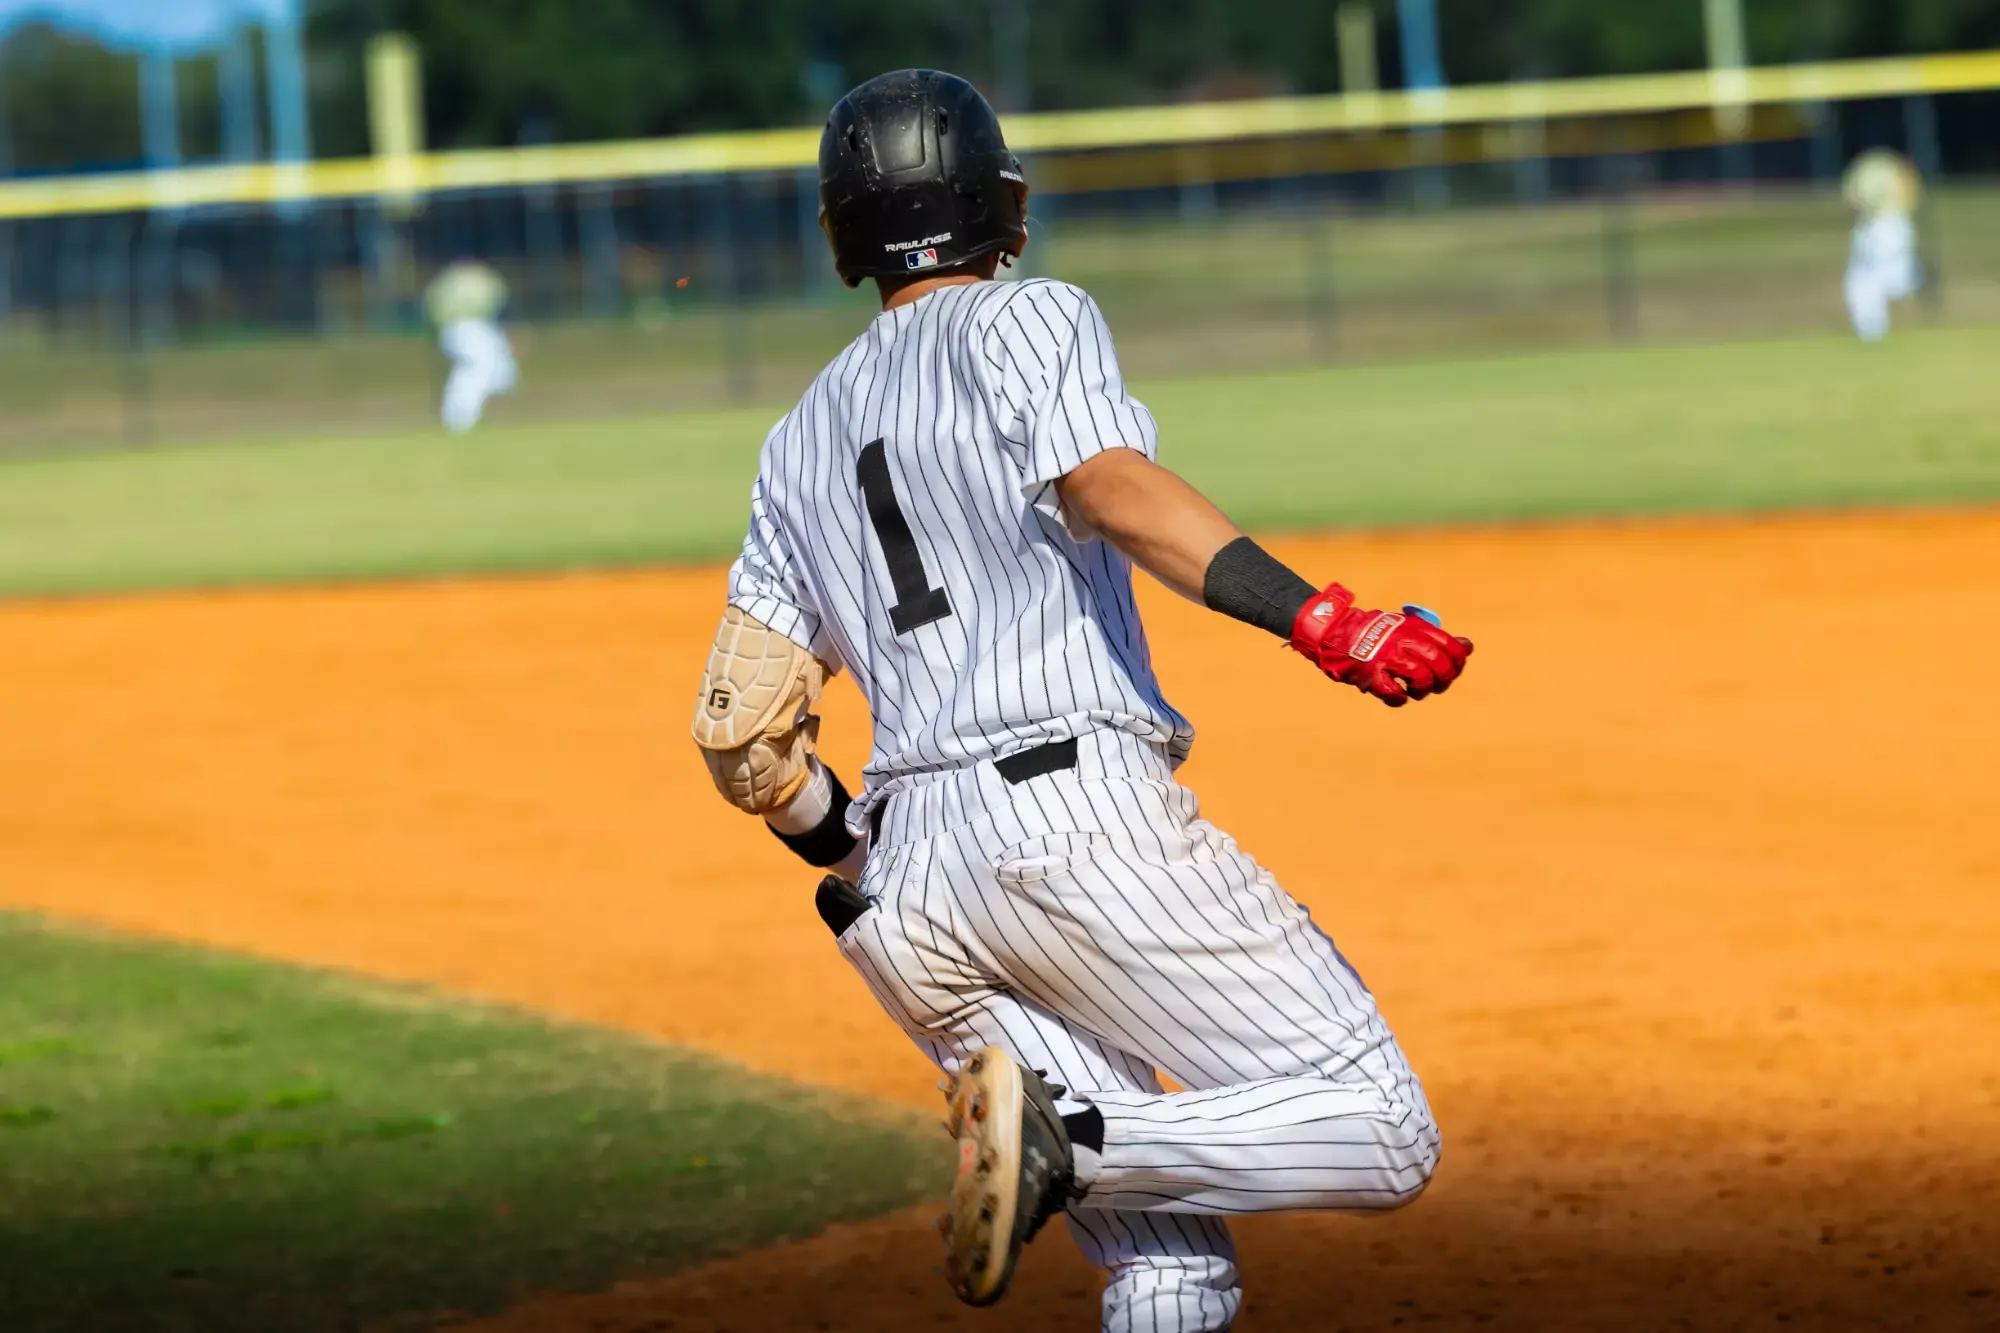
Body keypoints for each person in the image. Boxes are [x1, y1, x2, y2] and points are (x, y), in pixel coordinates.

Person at [690, 69, 1473, 1331]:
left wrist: (851, 849)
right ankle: (1066, 1143)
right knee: (1379, 1128)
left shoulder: (794, 443)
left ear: (845, 232)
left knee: (1167, 1270)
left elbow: (742, 736)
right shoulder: (1026, 315)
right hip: (1073, 829)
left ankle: (1057, 1140)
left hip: (909, 890)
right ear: (995, 202)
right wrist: (1320, 619)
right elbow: (1104, 485)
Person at [424, 257, 518, 431]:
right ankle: (458, 414)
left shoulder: (447, 282)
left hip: (475, 327)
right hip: (464, 327)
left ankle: (469, 413)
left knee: (497, 370)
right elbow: (503, 306)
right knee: (476, 368)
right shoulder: (483, 279)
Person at [1841, 149, 1922, 344]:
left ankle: (1872, 328)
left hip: (1877, 225)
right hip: (1897, 224)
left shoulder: (1864, 169)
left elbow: (1854, 200)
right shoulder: (1897, 169)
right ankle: (1873, 329)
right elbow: (1913, 197)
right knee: (1874, 279)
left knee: (1868, 280)